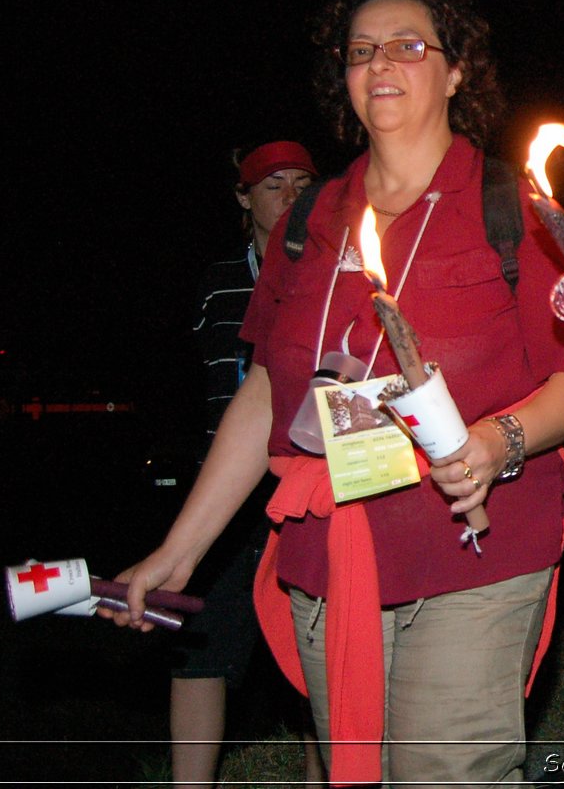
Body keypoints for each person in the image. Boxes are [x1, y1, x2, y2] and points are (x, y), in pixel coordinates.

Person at [109, 0, 564, 786]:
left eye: (409, 46)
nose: (381, 64)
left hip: (472, 554)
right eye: (361, 49)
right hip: (330, 567)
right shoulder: (309, 220)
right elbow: (267, 389)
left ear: (455, 71)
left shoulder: (509, 210)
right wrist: (179, 550)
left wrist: (495, 440)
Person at [172, 140, 323, 787]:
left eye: (300, 184)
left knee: (312, 653)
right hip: (231, 493)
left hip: (308, 482)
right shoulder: (219, 285)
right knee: (198, 649)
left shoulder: (331, 270)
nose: (289, 197)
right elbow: (226, 390)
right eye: (272, 186)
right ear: (243, 199)